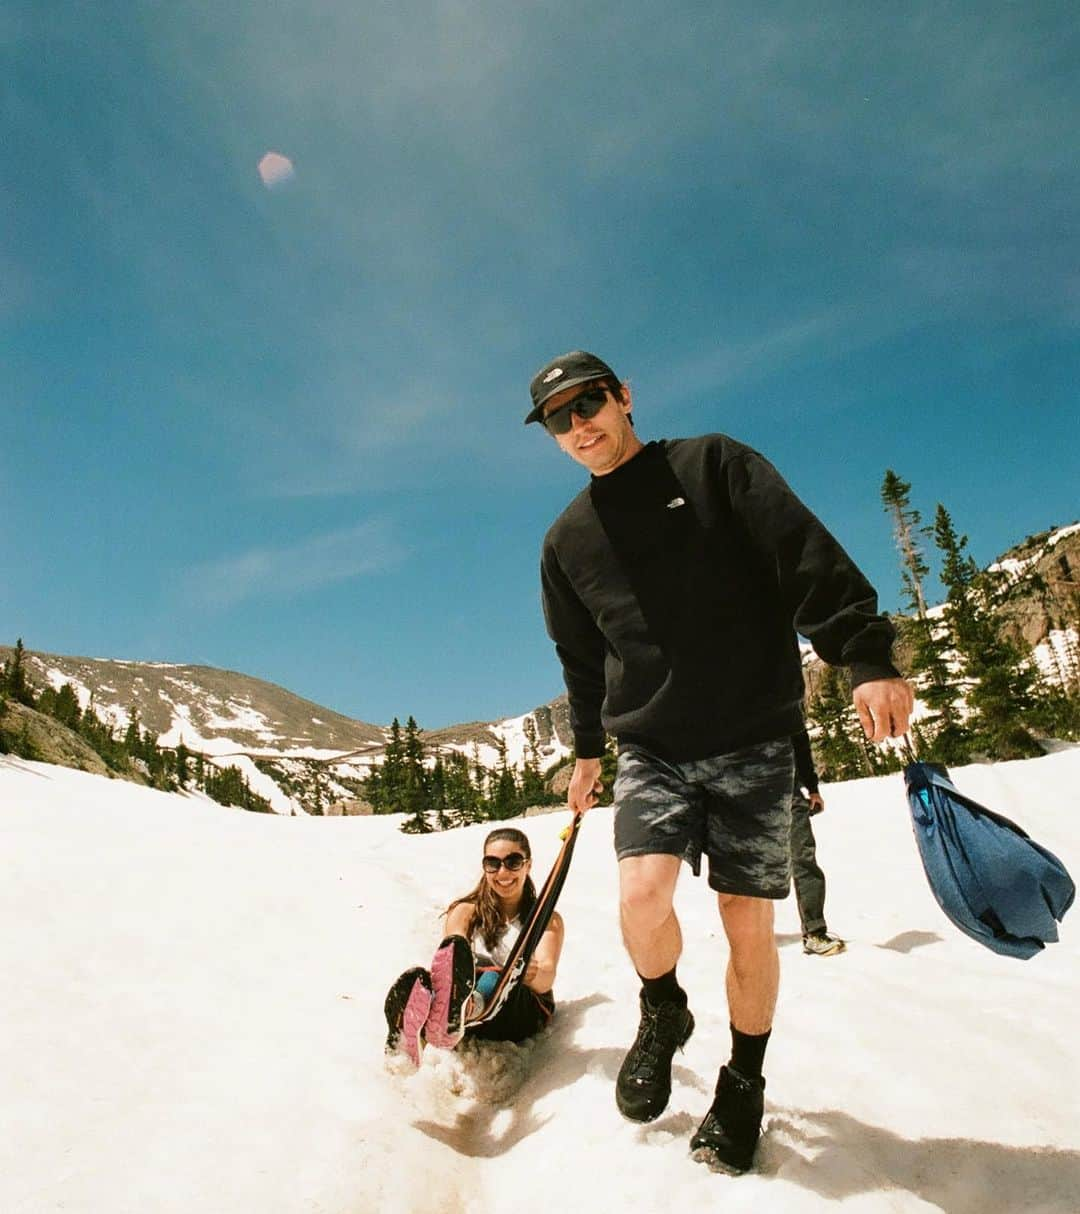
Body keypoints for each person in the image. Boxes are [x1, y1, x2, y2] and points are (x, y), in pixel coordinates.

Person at [528, 349, 913, 1173]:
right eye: (558, 419)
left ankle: (743, 1082)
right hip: (655, 747)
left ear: (624, 396)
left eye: (589, 402)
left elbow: (803, 555)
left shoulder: (712, 465)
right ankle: (663, 1009)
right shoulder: (566, 541)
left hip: (753, 737)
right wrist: (589, 751)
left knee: (747, 923)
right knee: (640, 895)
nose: (578, 424)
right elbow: (580, 661)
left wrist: (864, 654)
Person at [384, 827, 565, 1065]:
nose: (503, 872)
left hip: (520, 1012)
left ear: (528, 865)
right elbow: (452, 954)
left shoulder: (546, 920)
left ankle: (461, 1011)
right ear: (485, 867)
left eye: (513, 862)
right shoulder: (466, 910)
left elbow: (546, 978)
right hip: (473, 1007)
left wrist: (531, 974)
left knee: (495, 976)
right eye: (493, 863)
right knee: (453, 973)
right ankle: (417, 1032)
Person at [790, 729, 846, 957]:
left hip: (787, 791)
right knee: (745, 871)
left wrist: (812, 789)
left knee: (803, 859)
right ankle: (749, 937)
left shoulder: (782, 696)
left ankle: (814, 931)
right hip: (741, 793)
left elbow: (799, 741)